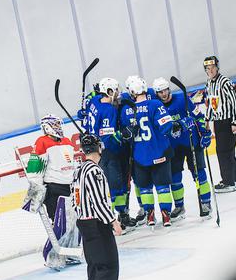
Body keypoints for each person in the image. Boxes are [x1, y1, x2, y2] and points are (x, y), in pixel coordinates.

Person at [72, 133, 123, 280]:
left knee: (95, 269)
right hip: (97, 224)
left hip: (85, 224)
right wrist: (113, 221)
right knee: (108, 267)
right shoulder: (95, 171)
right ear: (99, 148)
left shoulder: (78, 171)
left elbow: (75, 200)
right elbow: (99, 200)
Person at [152, 77, 213, 219]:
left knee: (199, 174)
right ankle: (179, 206)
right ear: (156, 93)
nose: (164, 94)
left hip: (191, 143)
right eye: (160, 92)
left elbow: (198, 116)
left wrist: (205, 133)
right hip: (173, 147)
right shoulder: (156, 107)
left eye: (166, 90)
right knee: (174, 178)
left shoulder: (182, 99)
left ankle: (206, 202)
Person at [119, 76, 174, 227]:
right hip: (159, 152)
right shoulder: (155, 104)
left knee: (145, 188)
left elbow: (125, 134)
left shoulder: (126, 110)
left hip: (139, 156)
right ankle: (166, 214)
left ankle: (150, 214)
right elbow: (167, 126)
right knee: (163, 187)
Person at [85, 77, 136, 230]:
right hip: (109, 152)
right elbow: (108, 137)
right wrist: (124, 133)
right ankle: (112, 221)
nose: (118, 93)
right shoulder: (109, 110)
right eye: (115, 90)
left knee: (117, 186)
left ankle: (122, 215)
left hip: (98, 152)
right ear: (108, 91)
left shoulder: (94, 101)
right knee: (115, 187)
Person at [202, 56, 236, 193]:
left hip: (228, 121)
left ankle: (228, 182)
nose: (210, 70)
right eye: (208, 68)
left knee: (223, 152)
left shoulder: (225, 82)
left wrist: (235, 122)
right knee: (228, 152)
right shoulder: (209, 83)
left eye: (212, 68)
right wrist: (207, 120)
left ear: (217, 68)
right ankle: (234, 179)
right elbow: (211, 103)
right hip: (218, 122)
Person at [26, 114, 78, 221]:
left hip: (71, 187)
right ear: (47, 127)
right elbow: (35, 169)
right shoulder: (42, 142)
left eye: (59, 124)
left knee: (73, 218)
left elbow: (71, 164)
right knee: (58, 220)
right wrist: (36, 191)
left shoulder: (67, 141)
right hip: (54, 188)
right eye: (55, 124)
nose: (58, 127)